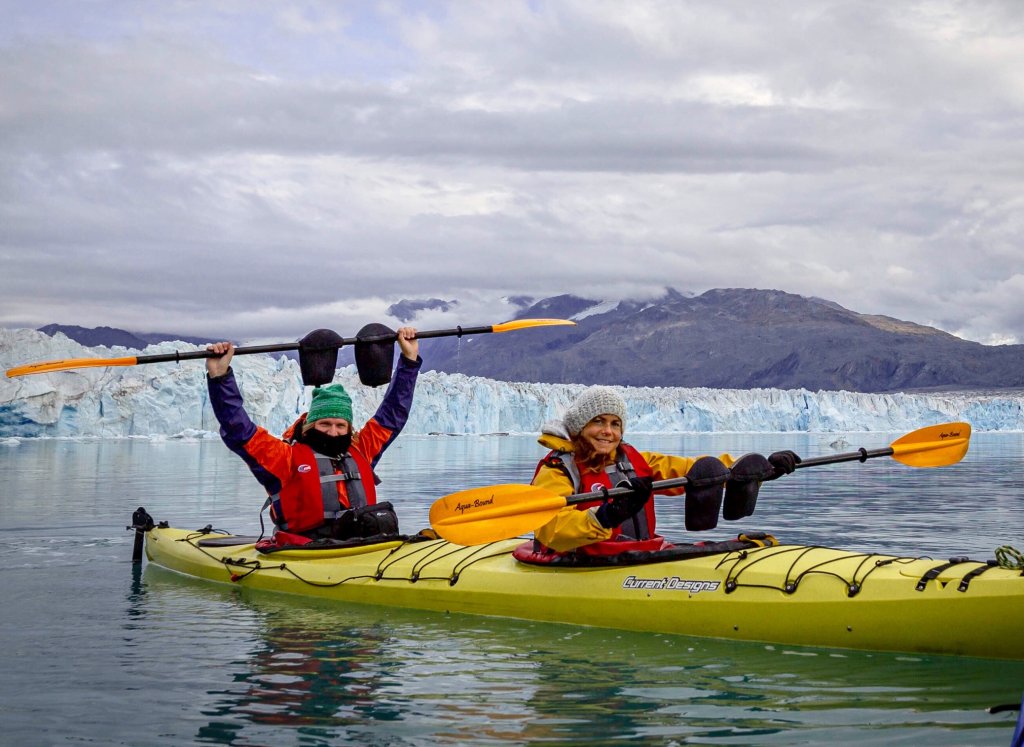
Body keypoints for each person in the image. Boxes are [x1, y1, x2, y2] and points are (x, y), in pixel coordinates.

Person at [205, 327, 421, 542]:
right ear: (310, 425)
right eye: (325, 423)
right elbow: (239, 430)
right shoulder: (285, 458)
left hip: (363, 547)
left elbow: (393, 415)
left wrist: (409, 361)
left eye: (340, 425)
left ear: (349, 428)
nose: (333, 432)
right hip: (306, 552)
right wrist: (219, 377)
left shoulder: (361, 449)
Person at [529, 385, 800, 555]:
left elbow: (692, 472)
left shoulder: (632, 460)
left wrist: (756, 469)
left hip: (637, 553)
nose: (607, 431)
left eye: (615, 423)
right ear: (579, 426)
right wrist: (604, 516)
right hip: (582, 561)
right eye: (598, 422)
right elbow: (550, 529)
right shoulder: (557, 470)